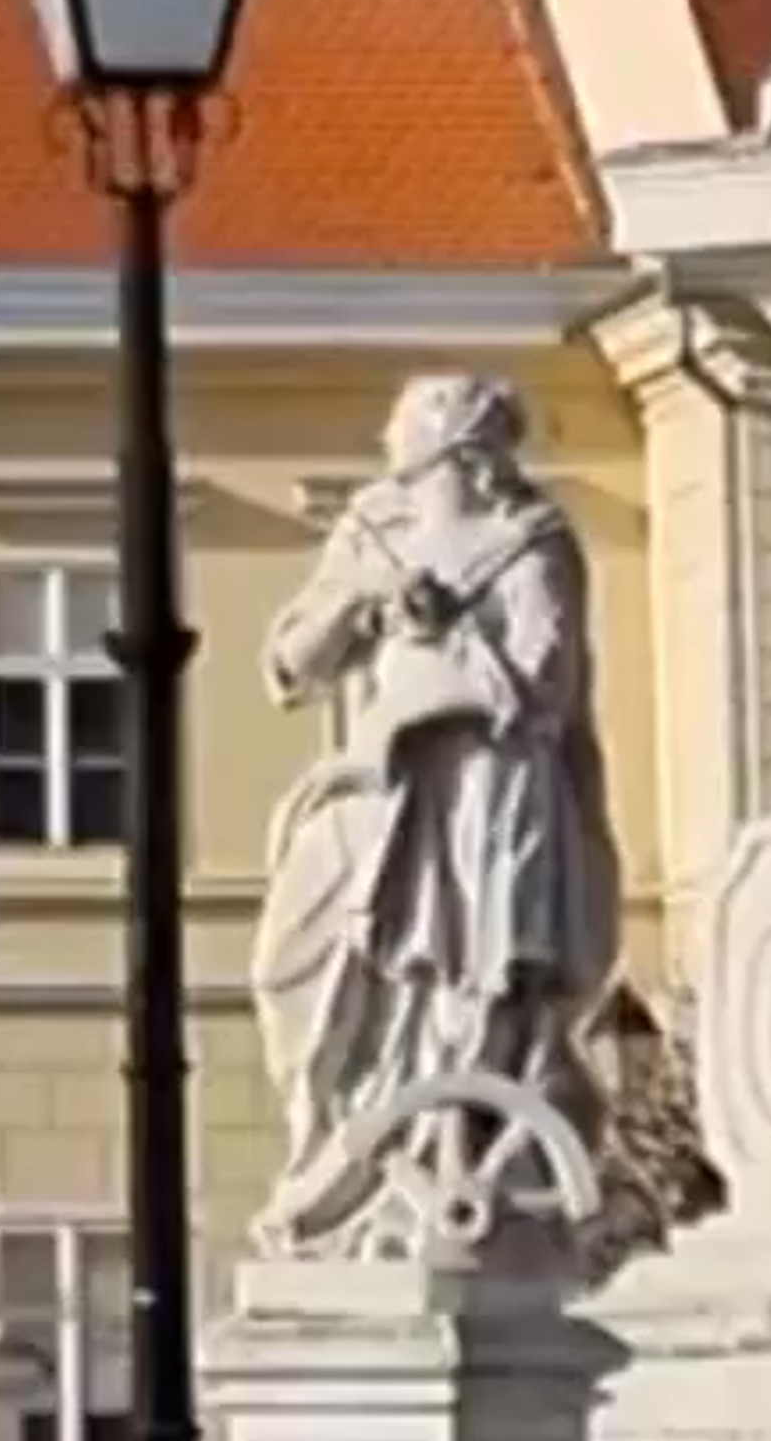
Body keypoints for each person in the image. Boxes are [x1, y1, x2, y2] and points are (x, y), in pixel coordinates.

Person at [254, 377, 620, 1252]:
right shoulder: (371, 526)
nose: (386, 429)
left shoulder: (530, 541)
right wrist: (360, 594)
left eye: (405, 417)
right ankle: (336, 1143)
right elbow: (291, 667)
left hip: (485, 791)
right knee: (288, 964)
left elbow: (546, 684)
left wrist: (451, 627)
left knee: (464, 986)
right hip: (373, 786)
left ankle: (431, 1157)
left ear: (455, 443)